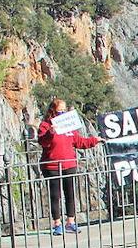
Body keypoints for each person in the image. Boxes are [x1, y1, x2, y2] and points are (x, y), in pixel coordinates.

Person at [37, 98, 99, 235]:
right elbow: (42, 141)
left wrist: (95, 141)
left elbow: (78, 141)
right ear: (53, 110)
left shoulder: (67, 125)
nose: (62, 113)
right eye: (60, 110)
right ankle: (57, 223)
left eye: (64, 110)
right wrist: (50, 133)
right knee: (55, 195)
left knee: (70, 194)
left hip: (69, 164)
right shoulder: (45, 125)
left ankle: (70, 222)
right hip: (52, 166)